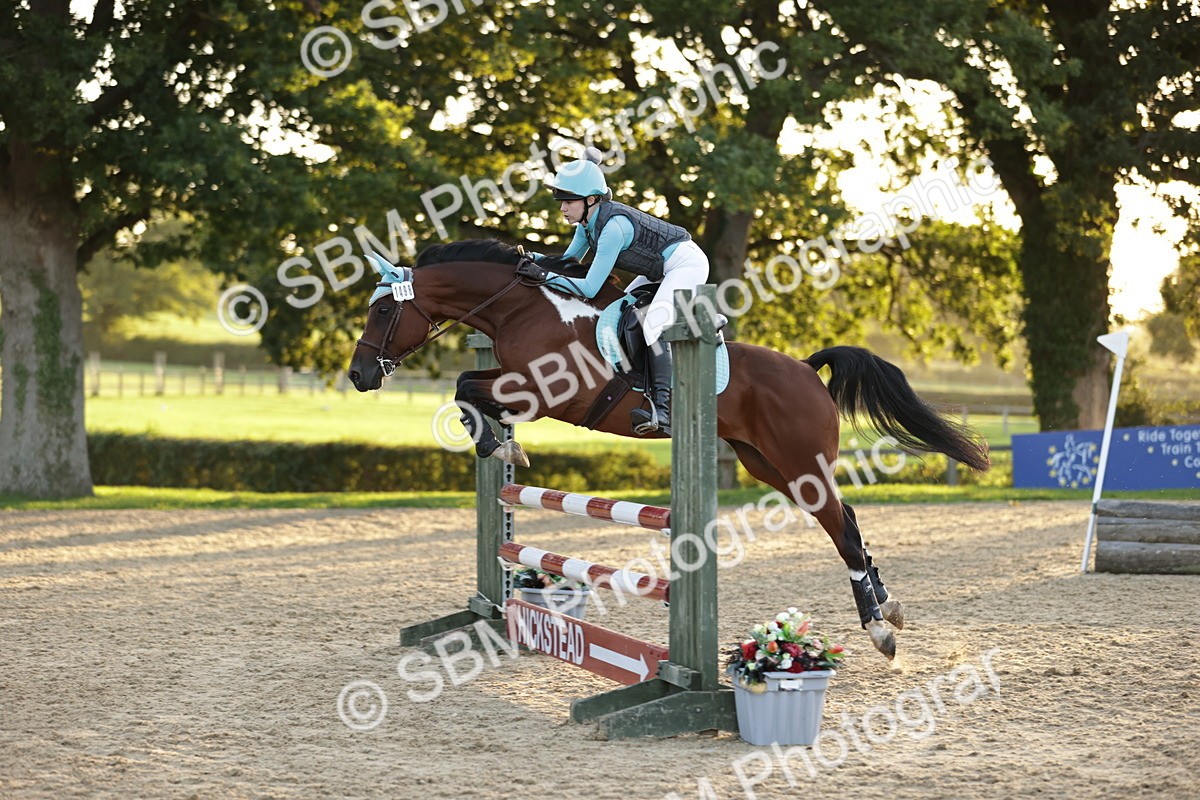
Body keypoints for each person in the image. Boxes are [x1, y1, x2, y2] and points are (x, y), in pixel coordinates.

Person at [517, 150, 710, 436]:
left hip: (685, 264)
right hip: (659, 270)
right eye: (562, 202)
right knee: (617, 314)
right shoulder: (587, 224)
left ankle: (664, 410)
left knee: (652, 325)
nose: (563, 209)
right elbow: (568, 264)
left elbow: (589, 287)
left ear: (591, 200)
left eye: (568, 202)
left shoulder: (613, 229)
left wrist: (544, 276)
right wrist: (533, 258)